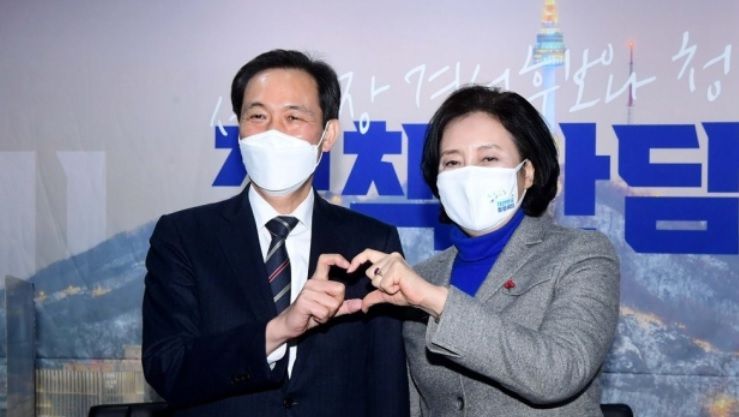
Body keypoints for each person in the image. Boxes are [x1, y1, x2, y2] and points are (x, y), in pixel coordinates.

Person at [142, 49, 409, 417]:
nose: (273, 132)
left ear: (328, 134)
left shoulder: (372, 242)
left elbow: (387, 386)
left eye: (293, 117)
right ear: (239, 129)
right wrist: (278, 330)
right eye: (257, 116)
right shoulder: (183, 237)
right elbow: (168, 368)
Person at [349, 85, 620, 416]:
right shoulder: (423, 277)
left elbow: (559, 372)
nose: (469, 176)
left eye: (488, 158)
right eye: (452, 162)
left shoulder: (581, 254)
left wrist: (436, 302)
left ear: (527, 173)